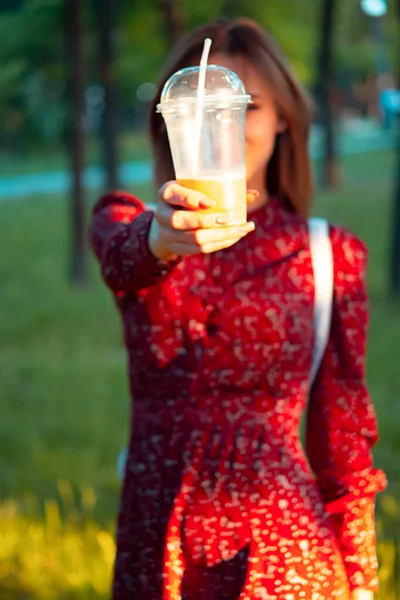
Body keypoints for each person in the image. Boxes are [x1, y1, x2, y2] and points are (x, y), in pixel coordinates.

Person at [89, 18, 386, 600]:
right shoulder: (131, 224)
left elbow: (344, 448)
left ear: (283, 119)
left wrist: (362, 583)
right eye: (197, 107)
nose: (217, 123)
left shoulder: (329, 255)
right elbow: (121, 258)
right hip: (157, 546)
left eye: (242, 105)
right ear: (170, 124)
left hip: (283, 556)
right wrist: (163, 240)